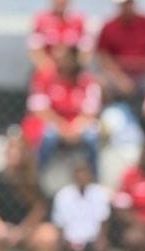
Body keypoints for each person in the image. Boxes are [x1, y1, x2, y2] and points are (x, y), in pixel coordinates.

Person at [30, 46, 101, 177]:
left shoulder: (87, 80)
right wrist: (62, 126)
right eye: (59, 59)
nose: (62, 62)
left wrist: (76, 127)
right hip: (55, 123)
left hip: (79, 124)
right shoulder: (44, 77)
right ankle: (37, 176)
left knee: (92, 136)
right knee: (47, 136)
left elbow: (91, 109)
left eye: (66, 59)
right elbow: (39, 108)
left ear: (75, 59)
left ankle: (94, 178)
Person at [95, 0, 145, 102]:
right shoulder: (108, 26)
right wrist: (119, 78)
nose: (125, 7)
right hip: (117, 75)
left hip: (144, 75)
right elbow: (103, 56)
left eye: (127, 3)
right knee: (102, 85)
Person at [52, 159, 110, 251]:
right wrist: (64, 239)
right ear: (73, 175)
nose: (81, 176)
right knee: (64, 249)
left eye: (85, 173)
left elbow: (103, 220)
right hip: (71, 237)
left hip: (92, 238)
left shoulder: (99, 193)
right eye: (78, 173)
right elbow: (59, 222)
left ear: (91, 175)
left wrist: (101, 239)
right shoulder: (63, 195)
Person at [28, 0, 90, 71]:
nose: (60, 2)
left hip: (72, 71)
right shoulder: (41, 19)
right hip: (46, 69)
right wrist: (50, 68)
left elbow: (85, 51)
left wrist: (71, 68)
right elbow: (35, 50)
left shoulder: (78, 20)